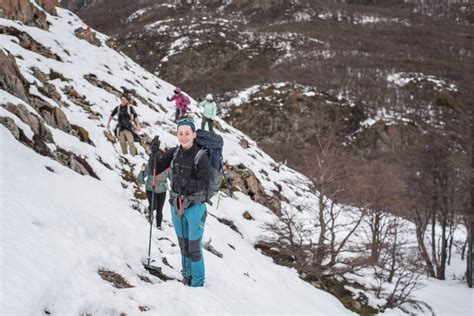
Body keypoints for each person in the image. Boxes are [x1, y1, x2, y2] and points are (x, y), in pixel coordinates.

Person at [151, 116, 209, 287]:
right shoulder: (175, 152)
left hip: (195, 208)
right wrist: (153, 153)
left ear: (194, 135)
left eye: (187, 133)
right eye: (180, 133)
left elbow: (205, 184)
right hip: (176, 206)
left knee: (194, 249)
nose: (183, 137)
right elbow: (154, 169)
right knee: (183, 246)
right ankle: (187, 277)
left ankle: (197, 284)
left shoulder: (200, 156)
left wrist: (187, 183)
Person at [137, 162, 171, 229]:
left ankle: (159, 226)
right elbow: (140, 178)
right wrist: (142, 171)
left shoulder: (167, 167)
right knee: (154, 205)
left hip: (162, 190)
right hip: (150, 189)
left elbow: (172, 178)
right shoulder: (150, 165)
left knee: (159, 209)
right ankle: (149, 212)